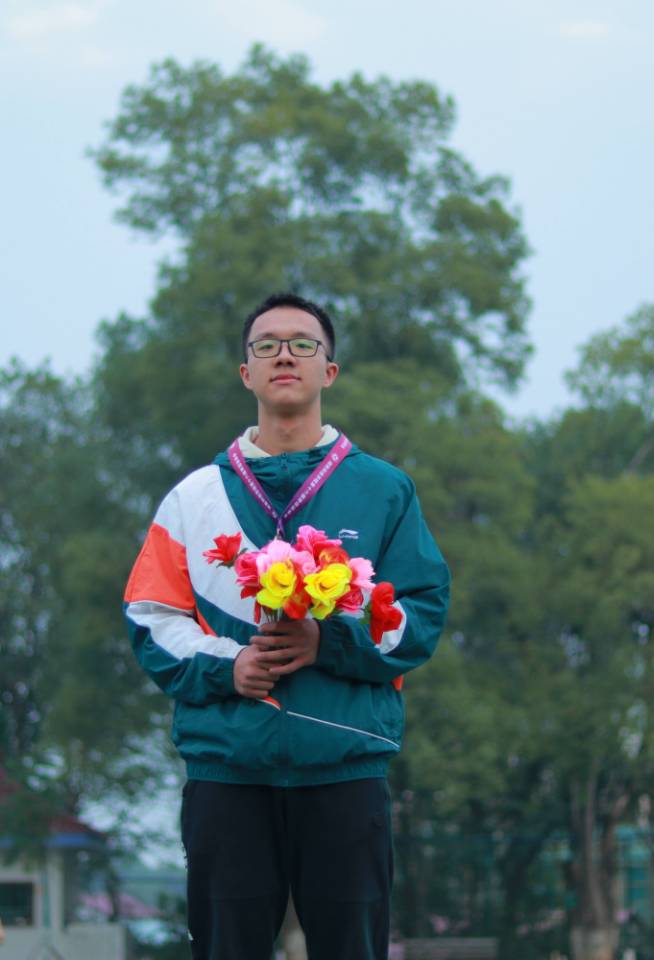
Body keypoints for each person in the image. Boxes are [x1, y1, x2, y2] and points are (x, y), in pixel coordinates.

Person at [124, 292, 450, 960]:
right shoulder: (193, 498)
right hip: (227, 770)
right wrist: (230, 668)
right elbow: (149, 617)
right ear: (246, 372)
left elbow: (420, 615)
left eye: (303, 344)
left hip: (345, 765)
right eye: (266, 344)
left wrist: (328, 642)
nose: (284, 355)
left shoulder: (385, 490)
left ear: (329, 370)